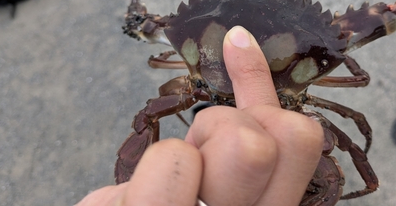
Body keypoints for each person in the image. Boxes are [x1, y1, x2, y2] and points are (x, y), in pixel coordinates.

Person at [75, 26, 325, 206]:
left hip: (199, 91)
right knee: (315, 160)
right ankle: (216, 117)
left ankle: (211, 114)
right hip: (271, 107)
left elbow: (145, 31)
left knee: (165, 115)